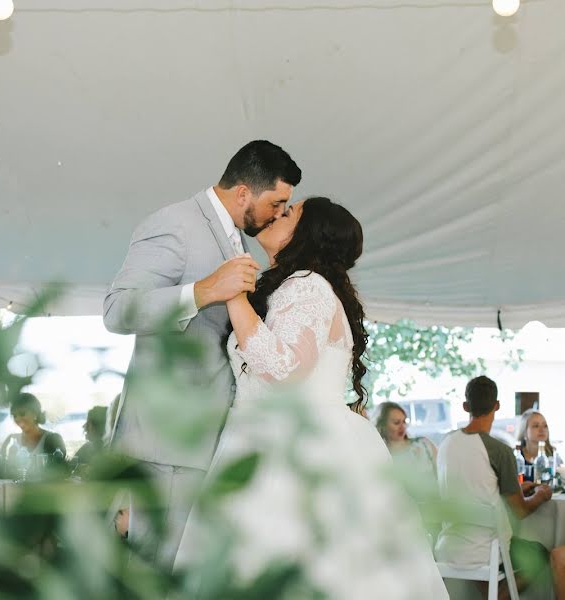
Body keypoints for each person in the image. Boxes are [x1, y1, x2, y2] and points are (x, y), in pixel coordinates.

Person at [174, 197, 448, 598]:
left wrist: (234, 295)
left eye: (289, 213)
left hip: (288, 449)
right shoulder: (300, 287)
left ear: (308, 236)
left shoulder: (306, 286)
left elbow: (284, 371)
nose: (276, 214)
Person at [103, 140, 301, 568]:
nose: (280, 214)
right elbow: (117, 311)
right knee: (155, 574)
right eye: (277, 202)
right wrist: (204, 290)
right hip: (167, 444)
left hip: (208, 442)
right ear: (245, 192)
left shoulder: (240, 246)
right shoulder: (175, 224)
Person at [436, 376, 556, 598]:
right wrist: (540, 494)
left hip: (446, 546)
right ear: (497, 406)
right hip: (486, 551)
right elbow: (520, 511)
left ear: (465, 406)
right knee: (539, 553)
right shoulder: (499, 451)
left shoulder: (445, 443)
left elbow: (472, 486)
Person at [374, 401, 438, 501]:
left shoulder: (424, 444)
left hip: (434, 506)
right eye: (396, 422)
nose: (402, 427)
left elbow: (442, 475)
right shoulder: (379, 455)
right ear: (382, 424)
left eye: (404, 421)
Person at [1, 393, 67, 470]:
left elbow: (60, 472)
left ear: (35, 413)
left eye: (22, 414)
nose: (17, 419)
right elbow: (2, 470)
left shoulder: (53, 439)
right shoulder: (11, 440)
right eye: (14, 416)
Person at [517, 408, 561, 480]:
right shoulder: (517, 457)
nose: (542, 429)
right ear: (524, 432)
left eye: (545, 426)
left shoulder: (554, 456)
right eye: (536, 426)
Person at [70, 406, 108, 475]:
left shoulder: (88, 448)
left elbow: (67, 469)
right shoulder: (88, 447)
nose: (83, 426)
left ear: (91, 426)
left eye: (87, 421)